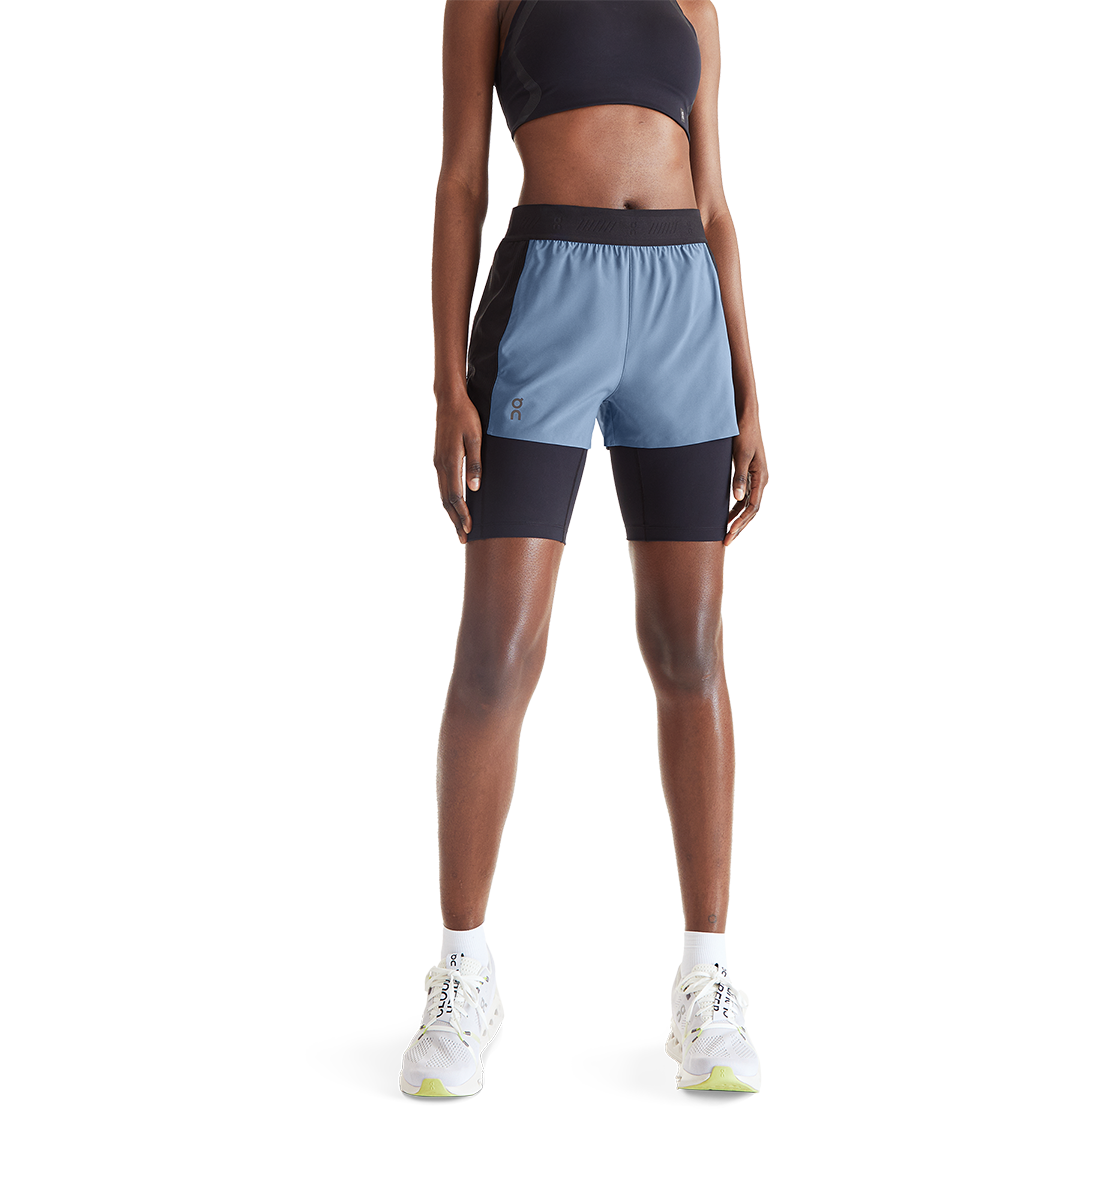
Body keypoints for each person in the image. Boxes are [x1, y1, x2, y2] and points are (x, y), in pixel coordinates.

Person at [400, 0, 769, 1096]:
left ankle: (706, 987)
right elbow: (460, 181)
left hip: (681, 309)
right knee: (497, 653)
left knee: (691, 653)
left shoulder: (693, 3)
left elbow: (714, 197)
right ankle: (463, 975)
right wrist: (444, 386)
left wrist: (749, 381)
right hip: (549, 300)